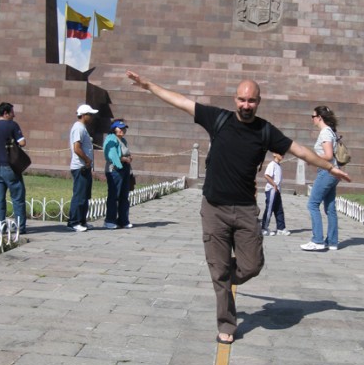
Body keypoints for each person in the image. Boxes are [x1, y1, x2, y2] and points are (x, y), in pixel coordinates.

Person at [126, 69, 351, 344]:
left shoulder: (265, 131)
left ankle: (222, 275)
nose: (246, 105)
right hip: (214, 209)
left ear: (259, 101)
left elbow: (300, 151)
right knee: (219, 273)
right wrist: (148, 85)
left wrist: (330, 167)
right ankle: (227, 324)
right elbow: (181, 101)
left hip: (245, 209)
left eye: (251, 101)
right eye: (242, 100)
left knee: (252, 265)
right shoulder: (217, 118)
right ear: (235, 99)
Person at [301, 105, 344, 252]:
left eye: (313, 116)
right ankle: (332, 242)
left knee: (312, 204)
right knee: (330, 208)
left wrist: (312, 158)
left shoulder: (325, 132)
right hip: (333, 173)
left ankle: (317, 240)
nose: (312, 119)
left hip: (327, 172)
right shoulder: (330, 131)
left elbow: (328, 155)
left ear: (319, 117)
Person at [0, 102, 27, 234]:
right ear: (6, 113)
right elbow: (22, 142)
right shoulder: (12, 125)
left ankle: (0, 226)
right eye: (12, 112)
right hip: (10, 166)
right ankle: (20, 227)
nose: (14, 115)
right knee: (17, 197)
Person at [67, 104, 97, 232]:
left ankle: (82, 220)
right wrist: (87, 160)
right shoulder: (78, 128)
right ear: (84, 115)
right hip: (80, 167)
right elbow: (77, 148)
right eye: (90, 115)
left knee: (85, 196)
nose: (91, 117)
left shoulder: (82, 128)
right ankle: (74, 221)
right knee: (79, 195)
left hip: (85, 167)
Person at [103, 119, 133, 229]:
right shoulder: (111, 139)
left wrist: (129, 158)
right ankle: (110, 220)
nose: (122, 130)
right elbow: (112, 155)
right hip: (115, 169)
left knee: (124, 196)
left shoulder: (123, 140)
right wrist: (123, 160)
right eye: (120, 128)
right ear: (114, 129)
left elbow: (126, 153)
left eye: (124, 128)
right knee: (114, 195)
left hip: (124, 169)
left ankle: (123, 220)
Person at [261, 152, 290, 236]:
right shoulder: (272, 164)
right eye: (280, 154)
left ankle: (281, 228)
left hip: (277, 190)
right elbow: (266, 175)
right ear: (274, 154)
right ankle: (264, 228)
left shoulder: (279, 165)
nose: (282, 155)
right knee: (269, 209)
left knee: (279, 209)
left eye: (283, 154)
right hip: (271, 190)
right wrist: (274, 184)